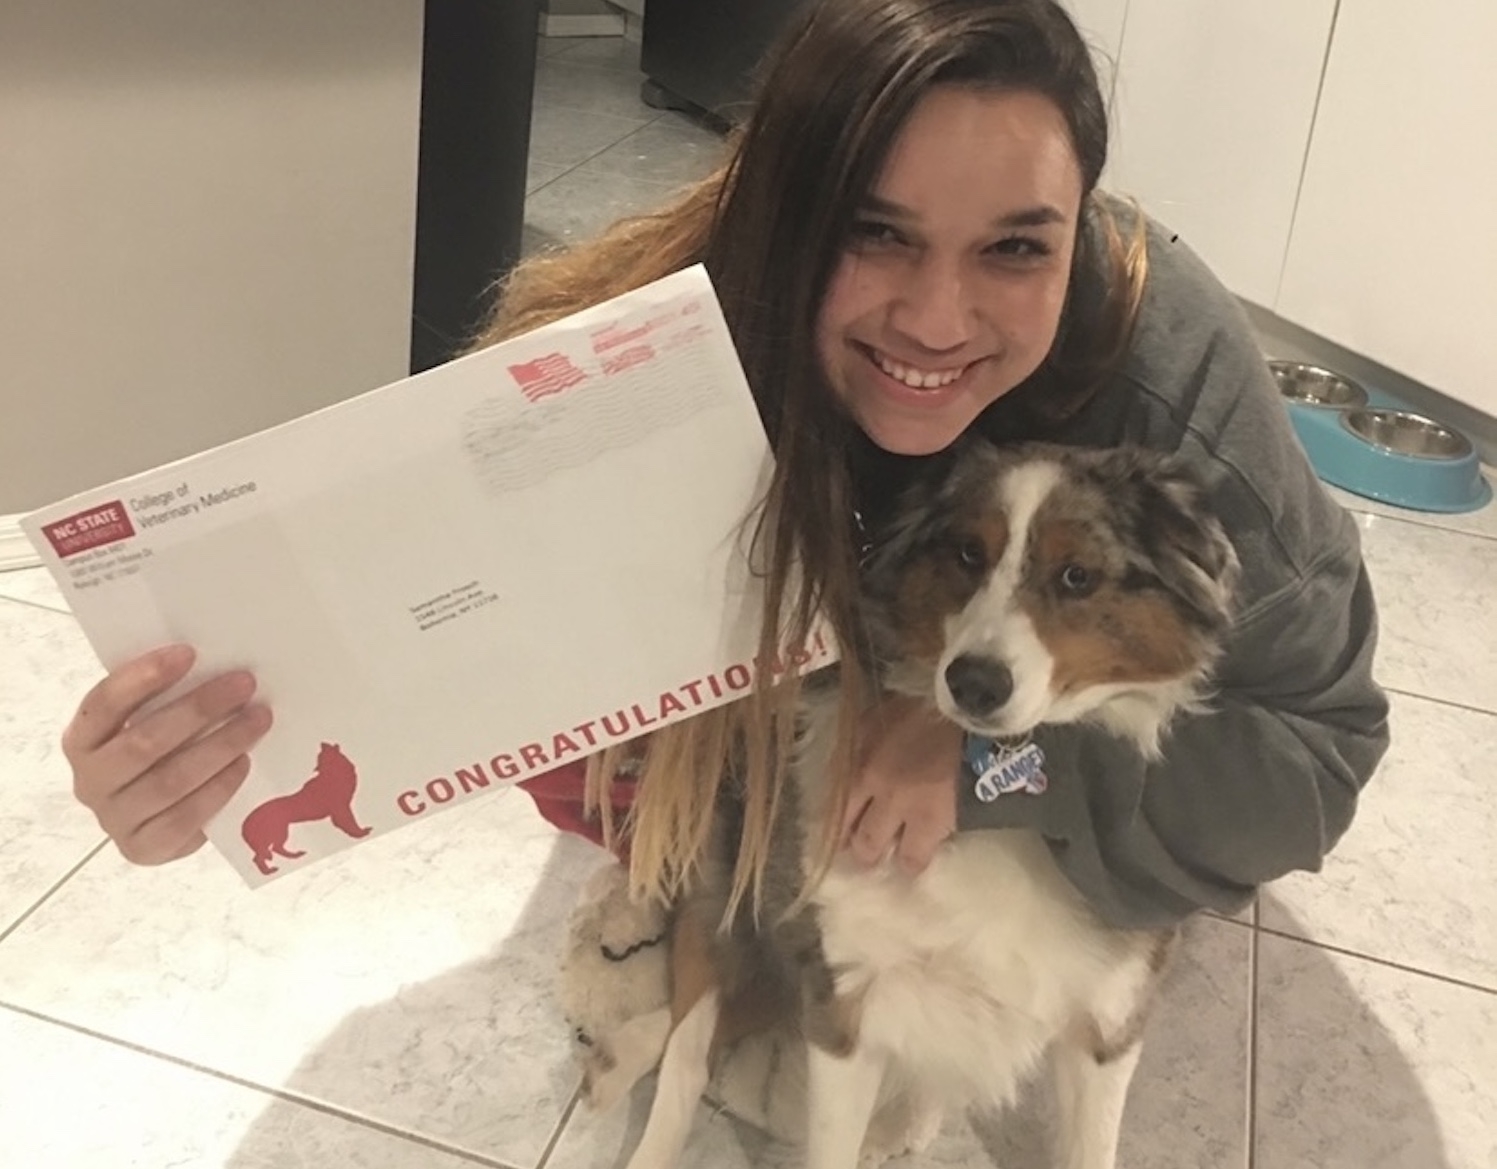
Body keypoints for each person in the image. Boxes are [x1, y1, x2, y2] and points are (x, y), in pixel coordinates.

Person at [61, 0, 1388, 929]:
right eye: (875, 234)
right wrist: (189, 773)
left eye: (1013, 247)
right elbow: (386, 658)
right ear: (779, 219)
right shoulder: (620, 353)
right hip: (837, 678)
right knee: (613, 770)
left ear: (1079, 221)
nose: (935, 319)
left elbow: (1311, 759)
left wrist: (988, 764)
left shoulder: (1170, 389)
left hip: (1079, 728)